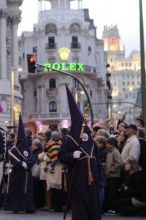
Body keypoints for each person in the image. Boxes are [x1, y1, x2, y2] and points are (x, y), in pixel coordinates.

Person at [58, 86, 102, 220]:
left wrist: (99, 176)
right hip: (78, 177)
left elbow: (98, 159)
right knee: (80, 202)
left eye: (85, 124)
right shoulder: (69, 139)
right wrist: (72, 155)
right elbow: (61, 156)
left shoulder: (92, 141)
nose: (84, 126)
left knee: (93, 202)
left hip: (92, 178)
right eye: (81, 124)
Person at [4, 115, 36, 213]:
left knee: (28, 190)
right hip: (17, 173)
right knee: (17, 190)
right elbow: (12, 160)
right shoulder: (13, 150)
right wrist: (20, 164)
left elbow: (32, 158)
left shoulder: (28, 149)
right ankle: (16, 207)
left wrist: (28, 165)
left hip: (27, 173)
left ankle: (27, 207)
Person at [103, 137, 122, 215]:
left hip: (114, 175)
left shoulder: (115, 152)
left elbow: (119, 163)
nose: (106, 145)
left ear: (112, 144)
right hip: (109, 175)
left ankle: (113, 209)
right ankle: (110, 208)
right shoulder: (109, 152)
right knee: (109, 192)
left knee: (112, 193)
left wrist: (110, 169)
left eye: (107, 143)